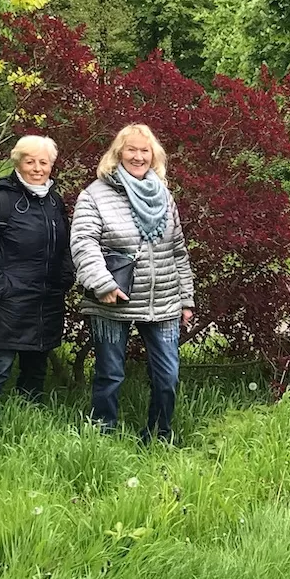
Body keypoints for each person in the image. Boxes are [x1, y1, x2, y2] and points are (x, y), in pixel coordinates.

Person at [70, 124, 195, 442]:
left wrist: (186, 298)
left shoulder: (164, 195)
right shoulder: (94, 195)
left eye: (144, 150)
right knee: (110, 375)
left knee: (168, 377)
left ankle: (158, 435)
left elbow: (178, 248)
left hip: (164, 300)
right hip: (113, 300)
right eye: (131, 150)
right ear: (118, 153)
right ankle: (102, 437)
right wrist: (102, 283)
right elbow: (84, 243)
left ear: (153, 155)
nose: (138, 156)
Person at [0, 135, 75, 431]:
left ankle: (25, 429)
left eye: (44, 162)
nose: (37, 168)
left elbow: (65, 248)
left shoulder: (54, 202)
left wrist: (64, 280)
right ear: (18, 162)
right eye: (31, 161)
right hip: (7, 306)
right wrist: (3, 288)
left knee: (35, 371)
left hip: (46, 302)